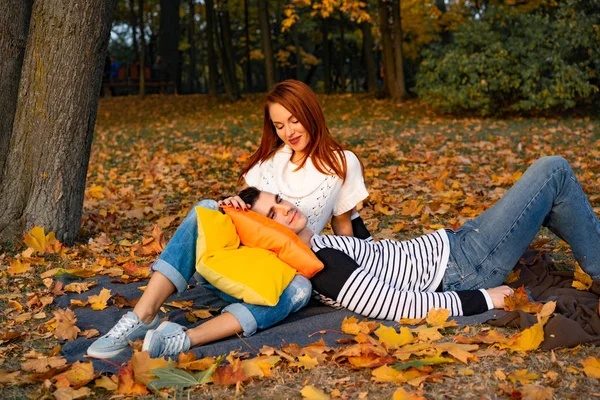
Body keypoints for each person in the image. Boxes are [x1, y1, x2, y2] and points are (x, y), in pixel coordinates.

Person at [87, 80, 371, 359]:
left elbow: (342, 226)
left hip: (278, 278)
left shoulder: (342, 162)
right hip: (233, 268)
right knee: (208, 207)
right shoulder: (268, 164)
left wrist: (349, 278)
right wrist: (231, 205)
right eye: (279, 126)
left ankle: (182, 339)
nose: (288, 132)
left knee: (300, 288)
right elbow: (245, 216)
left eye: (294, 120)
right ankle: (143, 315)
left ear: (310, 112)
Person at [228, 156, 600, 321]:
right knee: (552, 172)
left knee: (550, 197)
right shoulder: (321, 265)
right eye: (271, 216)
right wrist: (484, 298)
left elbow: (373, 253)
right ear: (265, 233)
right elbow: (398, 305)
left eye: (278, 200)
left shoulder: (320, 243)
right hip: (466, 267)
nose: (285, 208)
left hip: (457, 245)